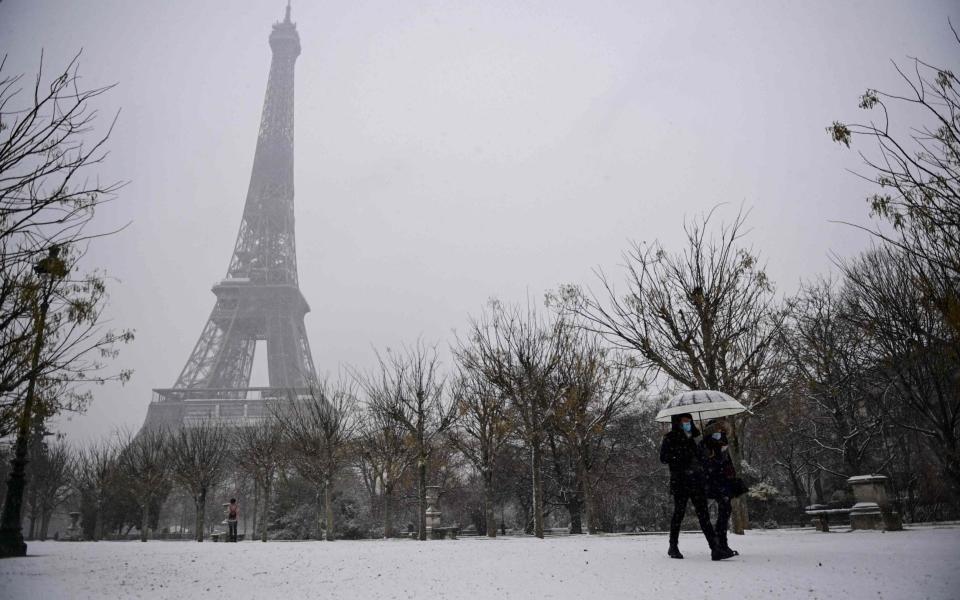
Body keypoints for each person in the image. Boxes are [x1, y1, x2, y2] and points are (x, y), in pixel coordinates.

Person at [659, 413, 734, 561]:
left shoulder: (693, 438)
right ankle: (673, 546)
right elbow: (664, 458)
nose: (688, 423)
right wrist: (681, 455)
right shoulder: (669, 437)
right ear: (678, 422)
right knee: (678, 514)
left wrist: (707, 454)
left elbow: (700, 458)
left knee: (703, 514)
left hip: (696, 481)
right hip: (680, 481)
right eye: (685, 420)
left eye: (689, 420)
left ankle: (715, 548)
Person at [700, 419, 739, 556]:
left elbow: (727, 462)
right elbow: (705, 464)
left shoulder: (723, 441)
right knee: (723, 510)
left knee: (726, 510)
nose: (720, 432)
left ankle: (722, 542)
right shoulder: (704, 444)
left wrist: (732, 477)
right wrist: (714, 456)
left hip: (724, 481)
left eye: (721, 430)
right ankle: (719, 543)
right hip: (713, 481)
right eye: (717, 429)